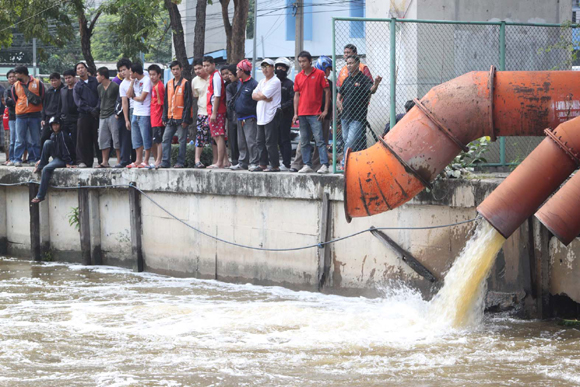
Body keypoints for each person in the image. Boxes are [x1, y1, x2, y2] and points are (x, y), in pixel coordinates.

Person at [290, 55, 333, 172]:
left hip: (315, 113)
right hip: (303, 113)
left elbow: (327, 91)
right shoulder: (298, 76)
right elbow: (296, 95)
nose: (302, 64)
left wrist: (325, 110)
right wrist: (295, 113)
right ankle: (307, 165)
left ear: (310, 61)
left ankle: (324, 164)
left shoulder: (319, 74)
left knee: (320, 140)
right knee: (304, 141)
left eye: (304, 61)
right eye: (300, 62)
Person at [337, 55, 382, 154]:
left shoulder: (364, 79)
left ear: (357, 65)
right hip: (345, 116)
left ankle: (345, 163)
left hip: (357, 117)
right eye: (347, 63)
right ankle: (353, 162)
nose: (349, 66)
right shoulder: (347, 79)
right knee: (346, 139)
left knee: (350, 141)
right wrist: (338, 102)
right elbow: (339, 94)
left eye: (351, 63)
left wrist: (376, 84)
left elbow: (371, 90)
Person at [31, 117, 75, 203]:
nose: (55, 127)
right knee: (47, 143)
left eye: (57, 124)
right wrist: (42, 159)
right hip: (57, 156)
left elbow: (65, 149)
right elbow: (49, 149)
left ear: (60, 125)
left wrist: (68, 162)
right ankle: (41, 164)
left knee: (46, 169)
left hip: (63, 159)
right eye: (53, 125)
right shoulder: (53, 135)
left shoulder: (62, 134)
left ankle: (40, 195)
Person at [161, 60, 192, 168]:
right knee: (165, 139)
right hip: (170, 117)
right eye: (173, 69)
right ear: (171, 71)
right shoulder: (169, 84)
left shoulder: (185, 83)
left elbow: (188, 103)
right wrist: (164, 116)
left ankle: (180, 162)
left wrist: (185, 119)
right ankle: (165, 161)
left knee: (182, 140)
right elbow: (166, 101)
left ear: (181, 69)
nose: (175, 71)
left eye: (177, 69)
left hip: (181, 118)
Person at [11, 65, 45, 167]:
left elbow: (42, 96)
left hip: (35, 115)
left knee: (35, 139)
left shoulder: (38, 83)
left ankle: (34, 159)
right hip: (21, 115)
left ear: (22, 73)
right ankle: (17, 159)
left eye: (16, 73)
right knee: (19, 139)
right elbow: (15, 99)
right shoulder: (15, 85)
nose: (15, 75)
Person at [252, 58, 281, 172]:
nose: (265, 69)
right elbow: (253, 95)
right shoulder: (261, 82)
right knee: (260, 141)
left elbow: (261, 95)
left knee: (270, 142)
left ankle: (274, 165)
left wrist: (262, 96)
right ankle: (262, 164)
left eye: (267, 66)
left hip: (271, 115)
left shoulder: (275, 81)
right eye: (263, 67)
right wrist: (262, 96)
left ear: (273, 68)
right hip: (261, 116)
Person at [230, 59, 259, 171]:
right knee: (241, 142)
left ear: (242, 71)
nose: (236, 72)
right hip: (240, 117)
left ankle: (254, 162)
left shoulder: (253, 84)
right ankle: (242, 163)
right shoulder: (240, 83)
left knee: (251, 141)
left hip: (250, 117)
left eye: (238, 70)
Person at [203, 56, 229, 168]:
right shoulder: (212, 76)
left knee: (219, 136)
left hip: (217, 110)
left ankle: (219, 162)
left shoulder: (216, 77)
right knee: (216, 136)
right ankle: (225, 161)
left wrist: (214, 113)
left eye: (207, 65)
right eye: (204, 66)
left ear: (213, 64)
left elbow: (217, 95)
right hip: (213, 110)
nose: (206, 68)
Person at [73, 62, 101, 168]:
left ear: (86, 69)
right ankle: (83, 161)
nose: (80, 70)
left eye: (82, 67)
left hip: (96, 114)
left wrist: (97, 108)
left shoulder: (95, 81)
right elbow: (78, 102)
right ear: (76, 72)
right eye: (78, 68)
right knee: (83, 139)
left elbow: (100, 96)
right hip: (84, 114)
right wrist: (89, 109)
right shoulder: (77, 86)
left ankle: (101, 160)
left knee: (98, 138)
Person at [126, 63, 152, 168]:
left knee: (145, 137)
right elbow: (128, 94)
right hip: (135, 113)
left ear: (136, 72)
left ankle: (146, 160)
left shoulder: (146, 80)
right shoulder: (135, 81)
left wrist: (133, 97)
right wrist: (132, 82)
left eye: (131, 72)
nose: (129, 74)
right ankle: (138, 160)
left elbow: (142, 98)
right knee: (136, 139)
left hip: (145, 113)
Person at [96, 67, 120, 168]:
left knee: (116, 138)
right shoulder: (99, 87)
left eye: (97, 75)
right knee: (102, 139)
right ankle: (104, 161)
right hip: (102, 115)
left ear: (102, 76)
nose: (96, 77)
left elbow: (118, 100)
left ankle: (119, 160)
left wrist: (117, 113)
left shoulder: (114, 86)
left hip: (113, 114)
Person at [274, 57, 294, 171]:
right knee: (274, 139)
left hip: (285, 115)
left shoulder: (289, 84)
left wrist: (283, 106)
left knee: (284, 139)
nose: (280, 69)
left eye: (282, 67)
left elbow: (293, 99)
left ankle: (286, 163)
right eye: (278, 67)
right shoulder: (272, 82)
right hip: (272, 115)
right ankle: (274, 161)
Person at [191, 58, 210, 168]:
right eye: (195, 69)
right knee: (200, 137)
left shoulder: (212, 78)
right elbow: (196, 95)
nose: (198, 71)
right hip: (202, 112)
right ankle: (197, 160)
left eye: (199, 68)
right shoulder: (195, 81)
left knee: (215, 138)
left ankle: (217, 161)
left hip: (212, 112)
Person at [116, 58, 133, 168]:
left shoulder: (140, 78)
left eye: (124, 70)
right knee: (124, 137)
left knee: (137, 138)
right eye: (120, 70)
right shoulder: (122, 84)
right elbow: (124, 102)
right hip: (126, 112)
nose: (122, 72)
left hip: (139, 111)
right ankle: (124, 159)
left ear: (130, 69)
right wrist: (127, 119)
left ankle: (136, 160)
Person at [59, 69, 79, 163]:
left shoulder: (78, 88)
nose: (67, 80)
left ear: (74, 77)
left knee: (76, 140)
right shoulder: (63, 90)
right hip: (64, 119)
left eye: (69, 77)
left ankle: (76, 159)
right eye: (66, 78)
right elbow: (60, 105)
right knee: (64, 140)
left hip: (75, 119)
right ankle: (66, 158)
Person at [40, 72, 64, 149]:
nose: (53, 82)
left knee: (59, 138)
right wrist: (43, 118)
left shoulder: (63, 90)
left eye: (55, 80)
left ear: (60, 80)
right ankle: (42, 158)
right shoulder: (48, 91)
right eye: (52, 80)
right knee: (44, 137)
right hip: (48, 118)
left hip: (59, 117)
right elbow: (44, 105)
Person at [148, 64, 165, 169]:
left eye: (154, 74)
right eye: (150, 74)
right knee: (156, 140)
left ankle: (159, 160)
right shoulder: (154, 86)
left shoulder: (159, 86)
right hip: (154, 117)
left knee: (158, 141)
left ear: (159, 75)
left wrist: (162, 117)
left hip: (158, 118)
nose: (152, 77)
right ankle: (157, 160)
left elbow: (162, 104)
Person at [224, 64, 239, 167]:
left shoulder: (243, 84)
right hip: (232, 115)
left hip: (243, 115)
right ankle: (235, 160)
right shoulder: (229, 86)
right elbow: (230, 102)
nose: (228, 76)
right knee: (233, 139)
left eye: (230, 74)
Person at [3, 70, 18, 165]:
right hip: (12, 117)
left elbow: (22, 101)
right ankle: (11, 158)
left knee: (23, 139)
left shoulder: (21, 88)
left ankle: (21, 158)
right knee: (12, 139)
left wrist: (13, 101)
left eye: (14, 76)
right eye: (10, 77)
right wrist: (16, 101)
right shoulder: (7, 90)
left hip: (23, 116)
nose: (12, 78)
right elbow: (7, 102)